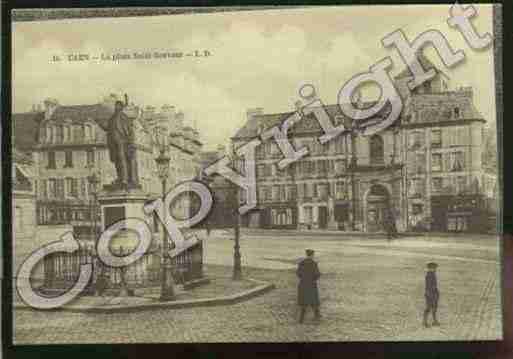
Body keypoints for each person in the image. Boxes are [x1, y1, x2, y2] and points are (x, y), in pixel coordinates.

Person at [297, 249, 321, 323]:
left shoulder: (301, 263)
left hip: (303, 284)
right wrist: (313, 279)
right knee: (314, 301)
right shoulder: (314, 263)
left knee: (304, 303)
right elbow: (317, 274)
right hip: (311, 284)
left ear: (306, 254)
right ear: (312, 255)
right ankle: (317, 315)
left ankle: (301, 319)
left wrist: (303, 278)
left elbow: (298, 273)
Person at [423, 262, 440, 328]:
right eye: (434, 268)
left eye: (435, 268)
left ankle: (434, 321)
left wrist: (436, 293)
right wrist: (430, 294)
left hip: (434, 293)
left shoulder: (433, 274)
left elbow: (434, 285)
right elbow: (429, 286)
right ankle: (424, 322)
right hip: (430, 293)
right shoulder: (429, 275)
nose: (435, 269)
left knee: (434, 308)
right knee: (428, 308)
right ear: (430, 268)